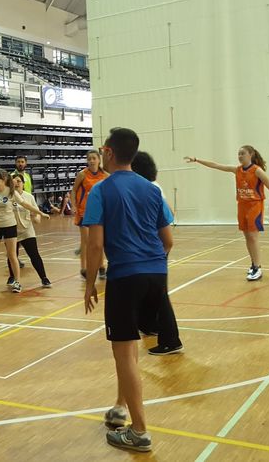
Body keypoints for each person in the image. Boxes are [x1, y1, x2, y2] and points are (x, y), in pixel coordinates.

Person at [83, 128, 175, 452]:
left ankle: (139, 431)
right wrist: (152, 266)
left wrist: (91, 283)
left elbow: (95, 245)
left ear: (108, 152)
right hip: (156, 277)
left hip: (125, 277)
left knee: (123, 353)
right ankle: (121, 406)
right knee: (131, 346)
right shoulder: (152, 190)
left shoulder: (101, 190)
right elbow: (168, 241)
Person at [185, 146, 269, 281]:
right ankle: (253, 264)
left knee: (253, 237)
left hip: (255, 206)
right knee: (247, 237)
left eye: (243, 153)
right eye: (238, 154)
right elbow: (216, 165)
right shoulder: (237, 170)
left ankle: (258, 268)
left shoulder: (257, 171)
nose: (240, 156)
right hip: (242, 206)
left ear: (250, 154)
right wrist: (197, 160)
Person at [131, 151, 184, 356]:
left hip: (154, 249)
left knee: (159, 294)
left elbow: (167, 216)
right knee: (150, 292)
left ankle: (171, 340)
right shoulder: (151, 187)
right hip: (152, 248)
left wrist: (161, 250)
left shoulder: (149, 189)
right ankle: (149, 325)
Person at [6, 172, 51, 288]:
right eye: (14, 181)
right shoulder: (7, 197)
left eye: (19, 181)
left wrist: (35, 217)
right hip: (12, 231)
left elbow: (37, 217)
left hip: (27, 230)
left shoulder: (29, 197)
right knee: (12, 256)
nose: (16, 184)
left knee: (34, 255)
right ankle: (12, 277)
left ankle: (44, 277)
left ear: (23, 183)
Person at [71, 149, 109, 279]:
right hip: (84, 212)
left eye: (94, 158)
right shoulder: (82, 174)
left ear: (99, 160)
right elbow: (74, 190)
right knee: (86, 241)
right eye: (89, 159)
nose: (91, 161)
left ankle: (102, 266)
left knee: (99, 241)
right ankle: (84, 268)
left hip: (100, 212)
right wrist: (74, 206)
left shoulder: (105, 175)